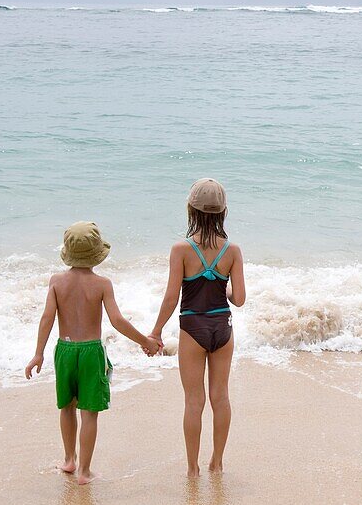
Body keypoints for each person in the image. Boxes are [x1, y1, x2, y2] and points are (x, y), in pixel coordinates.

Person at [25, 221, 161, 485]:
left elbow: (46, 318)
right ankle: (84, 471)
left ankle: (69, 460)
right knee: (89, 413)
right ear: (96, 253)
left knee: (66, 407)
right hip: (91, 352)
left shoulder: (56, 282)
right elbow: (117, 320)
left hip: (64, 351)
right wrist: (145, 341)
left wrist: (38, 353)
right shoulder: (102, 284)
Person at [149, 179, 246, 477]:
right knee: (221, 397)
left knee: (194, 401)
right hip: (222, 328)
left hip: (192, 329)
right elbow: (239, 299)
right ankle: (217, 462)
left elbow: (171, 297)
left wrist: (155, 332)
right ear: (223, 212)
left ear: (190, 209)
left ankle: (193, 468)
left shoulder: (181, 250)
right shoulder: (232, 250)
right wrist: (224, 290)